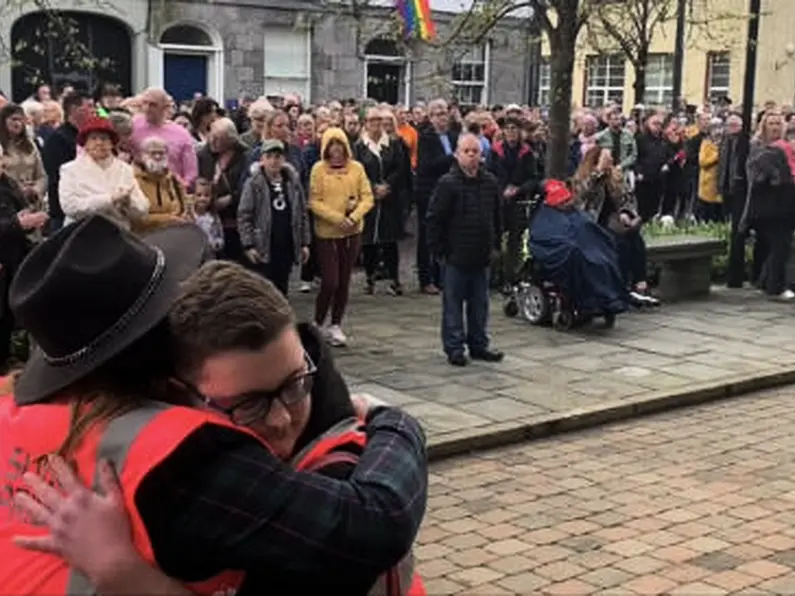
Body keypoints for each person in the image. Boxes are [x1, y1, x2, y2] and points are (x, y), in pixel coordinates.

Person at [0, 215, 428, 594]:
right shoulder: (181, 454)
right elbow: (374, 526)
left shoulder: (15, 410)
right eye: (249, 404)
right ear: (167, 373)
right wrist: (391, 419)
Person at [426, 133, 503, 367]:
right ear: (458, 154)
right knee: (453, 305)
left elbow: (497, 217)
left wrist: (496, 245)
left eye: (475, 152)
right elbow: (434, 220)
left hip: (481, 255)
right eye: (467, 151)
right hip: (455, 255)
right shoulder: (447, 184)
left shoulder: (490, 182)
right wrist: (439, 251)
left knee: (480, 305)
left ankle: (479, 345)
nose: (471, 156)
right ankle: (455, 347)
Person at [309, 127, 373, 347]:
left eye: (340, 147)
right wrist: (337, 218)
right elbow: (314, 201)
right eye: (332, 147)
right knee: (330, 280)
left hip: (351, 233)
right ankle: (317, 322)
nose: (336, 152)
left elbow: (367, 197)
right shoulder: (318, 169)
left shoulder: (356, 169)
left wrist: (354, 217)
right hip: (327, 233)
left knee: (344, 280)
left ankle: (335, 324)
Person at [574, 147, 659, 307]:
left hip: (616, 222)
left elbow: (628, 198)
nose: (611, 161)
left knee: (636, 239)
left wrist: (626, 212)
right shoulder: (583, 177)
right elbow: (582, 197)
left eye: (611, 158)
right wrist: (597, 173)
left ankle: (640, 285)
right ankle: (623, 286)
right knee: (620, 244)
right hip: (594, 223)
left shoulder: (616, 177)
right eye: (607, 159)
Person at [238, 139, 310, 296]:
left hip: (287, 244)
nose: (273, 161)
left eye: (277, 156)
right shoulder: (253, 184)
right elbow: (244, 215)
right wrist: (248, 245)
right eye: (269, 156)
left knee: (283, 286)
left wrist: (304, 242)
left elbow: (302, 213)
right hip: (264, 244)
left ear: (283, 159)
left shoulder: (292, 182)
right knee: (265, 290)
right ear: (262, 159)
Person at [59, 116, 149, 230]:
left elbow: (143, 209)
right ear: (85, 144)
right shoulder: (69, 170)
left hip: (118, 234)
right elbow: (70, 207)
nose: (99, 143)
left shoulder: (125, 169)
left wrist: (129, 203)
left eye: (104, 138)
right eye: (93, 138)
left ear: (112, 144)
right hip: (81, 234)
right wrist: (110, 199)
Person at [354, 107, 407, 295]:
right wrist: (371, 187)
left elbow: (402, 169)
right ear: (365, 123)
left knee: (389, 240)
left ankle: (394, 280)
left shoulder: (394, 144)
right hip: (369, 198)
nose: (376, 124)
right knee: (369, 240)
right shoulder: (359, 147)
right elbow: (357, 171)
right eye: (372, 120)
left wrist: (388, 186)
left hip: (390, 199)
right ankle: (369, 278)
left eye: (379, 120)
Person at [416, 99, 458, 295]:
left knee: (447, 234)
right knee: (427, 236)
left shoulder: (453, 136)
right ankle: (426, 279)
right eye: (438, 114)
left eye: (444, 113)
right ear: (431, 117)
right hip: (429, 192)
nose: (442, 117)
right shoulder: (425, 138)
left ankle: (443, 277)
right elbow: (427, 165)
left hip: (450, 191)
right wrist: (452, 158)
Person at [41, 91, 94, 232]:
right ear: (75, 110)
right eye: (89, 106)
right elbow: (56, 175)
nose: (94, 111)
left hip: (88, 207)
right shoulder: (58, 139)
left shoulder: (88, 136)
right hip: (63, 210)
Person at [197, 117, 248, 262]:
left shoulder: (244, 157)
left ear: (231, 140)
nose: (212, 141)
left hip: (234, 221)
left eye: (218, 139)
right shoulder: (203, 155)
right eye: (211, 136)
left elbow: (246, 186)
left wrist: (231, 198)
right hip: (208, 219)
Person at [131, 88, 197, 187]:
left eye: (153, 105)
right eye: (144, 103)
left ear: (165, 107)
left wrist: (181, 188)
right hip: (139, 190)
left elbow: (191, 172)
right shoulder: (132, 125)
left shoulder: (181, 134)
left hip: (170, 192)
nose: (147, 108)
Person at [132, 136, 187, 233]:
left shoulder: (172, 179)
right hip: (144, 238)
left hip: (173, 237)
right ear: (142, 155)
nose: (157, 157)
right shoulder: (133, 180)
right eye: (153, 153)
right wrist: (169, 219)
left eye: (161, 153)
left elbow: (182, 208)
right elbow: (135, 218)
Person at [188, 178, 224, 256]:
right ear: (193, 196)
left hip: (210, 254)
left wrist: (216, 244)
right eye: (199, 195)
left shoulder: (214, 217)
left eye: (206, 195)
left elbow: (220, 236)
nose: (203, 198)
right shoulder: (189, 217)